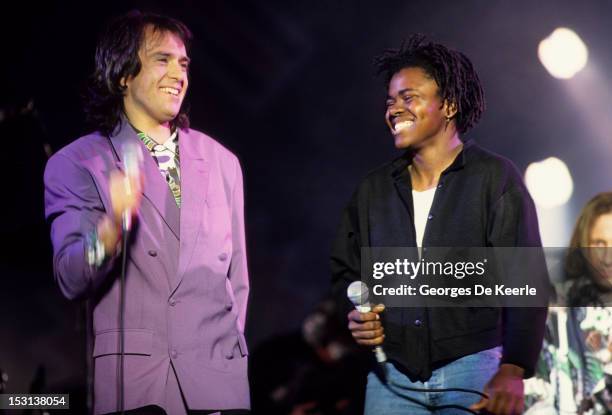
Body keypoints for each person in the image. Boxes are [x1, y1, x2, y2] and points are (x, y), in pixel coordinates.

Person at [43, 11, 249, 415]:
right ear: (123, 74)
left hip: (217, 384)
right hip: (138, 389)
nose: (178, 73)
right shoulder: (79, 163)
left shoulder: (222, 161)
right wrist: (112, 226)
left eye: (184, 63)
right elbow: (70, 276)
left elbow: (237, 281)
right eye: (162, 59)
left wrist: (223, 353)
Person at [330, 35, 547, 414]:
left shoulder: (494, 179)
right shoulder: (373, 191)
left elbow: (526, 281)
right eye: (390, 101)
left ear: (447, 105)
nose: (394, 109)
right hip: (391, 379)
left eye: (408, 97)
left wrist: (513, 367)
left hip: (473, 373)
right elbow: (346, 272)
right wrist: (354, 315)